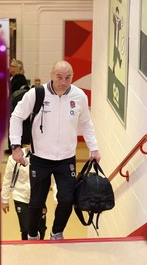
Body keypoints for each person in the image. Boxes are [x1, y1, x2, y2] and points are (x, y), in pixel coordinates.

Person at [9, 60, 101, 240]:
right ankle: (33, 234)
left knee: (67, 200)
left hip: (66, 159)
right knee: (36, 202)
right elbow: (17, 116)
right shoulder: (36, 94)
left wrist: (94, 148)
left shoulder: (79, 96)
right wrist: (15, 146)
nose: (63, 82)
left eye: (68, 77)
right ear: (51, 75)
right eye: (59, 77)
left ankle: (56, 232)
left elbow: (86, 123)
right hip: (40, 158)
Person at [1, 146, 57, 240]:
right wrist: (5, 199)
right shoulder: (14, 158)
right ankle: (26, 251)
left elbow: (54, 179)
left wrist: (56, 198)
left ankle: (38, 252)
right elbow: (7, 179)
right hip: (21, 197)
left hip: (39, 198)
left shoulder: (47, 157)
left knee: (41, 229)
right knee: (26, 229)